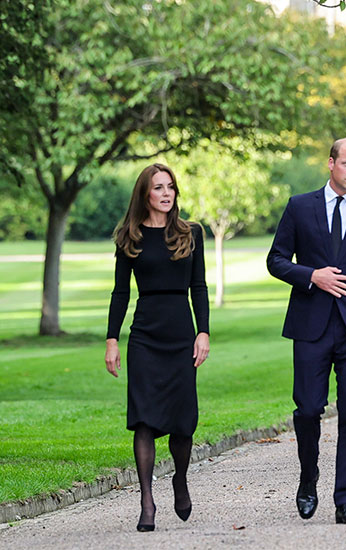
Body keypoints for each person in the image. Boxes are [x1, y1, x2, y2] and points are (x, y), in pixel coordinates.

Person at [267, 138, 346, 525]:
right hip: (311, 327)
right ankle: (308, 479)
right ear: (330, 164)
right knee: (307, 410)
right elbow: (275, 260)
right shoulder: (300, 207)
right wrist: (311, 276)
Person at [105, 163, 209, 531]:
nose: (166, 194)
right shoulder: (128, 238)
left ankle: (180, 477)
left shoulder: (191, 233)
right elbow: (120, 292)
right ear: (144, 194)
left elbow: (199, 286)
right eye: (158, 188)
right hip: (146, 337)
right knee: (144, 419)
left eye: (170, 187)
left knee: (183, 424)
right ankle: (146, 500)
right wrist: (112, 339)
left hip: (181, 335)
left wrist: (203, 332)